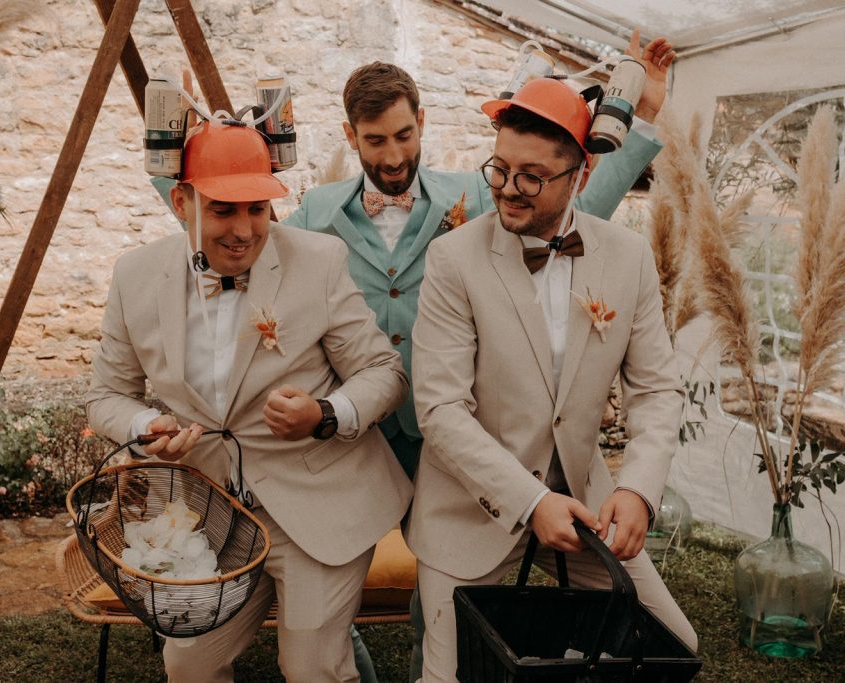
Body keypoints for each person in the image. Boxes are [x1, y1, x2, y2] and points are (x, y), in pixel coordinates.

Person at [285, 32, 675, 682]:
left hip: (463, 437)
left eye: (404, 135)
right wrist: (180, 187)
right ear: (350, 136)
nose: (393, 153)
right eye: (375, 139)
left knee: (436, 619)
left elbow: (577, 209)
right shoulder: (313, 215)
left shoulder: (480, 191)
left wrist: (642, 123)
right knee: (326, 601)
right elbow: (252, 253)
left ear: (423, 126)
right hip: (361, 436)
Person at [86, 119, 413, 682]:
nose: (244, 230)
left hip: (319, 505)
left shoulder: (319, 262)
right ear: (183, 201)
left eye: (257, 209)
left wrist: (326, 415)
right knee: (189, 665)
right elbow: (107, 395)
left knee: (312, 667)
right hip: (210, 518)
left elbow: (384, 371)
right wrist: (148, 425)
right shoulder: (135, 276)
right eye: (223, 211)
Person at [406, 76, 697, 682]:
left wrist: (639, 489)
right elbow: (440, 411)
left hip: (589, 508)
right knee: (450, 676)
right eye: (500, 170)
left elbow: (656, 389)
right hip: (471, 508)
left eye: (532, 176)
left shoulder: (628, 257)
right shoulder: (453, 260)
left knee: (673, 645)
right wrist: (531, 501)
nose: (508, 190)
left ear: (580, 178)